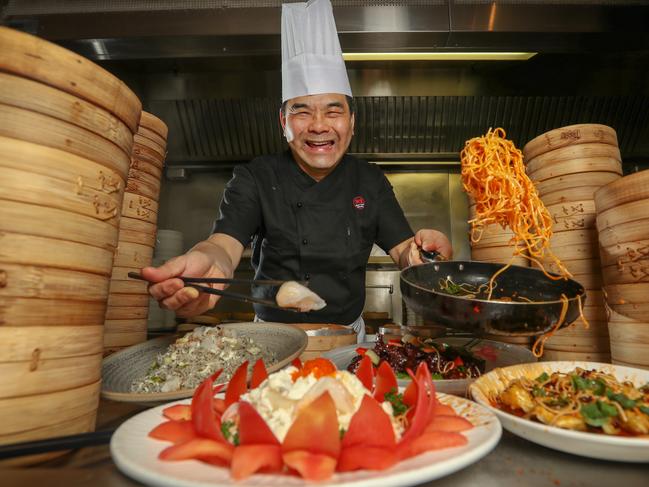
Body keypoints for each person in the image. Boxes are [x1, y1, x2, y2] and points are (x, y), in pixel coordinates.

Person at [143, 0, 452, 340]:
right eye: (302, 112)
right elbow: (223, 246)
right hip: (272, 339)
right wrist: (208, 261)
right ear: (283, 122)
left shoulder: (369, 180)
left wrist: (422, 255)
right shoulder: (256, 177)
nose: (319, 126)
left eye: (333, 112)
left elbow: (404, 251)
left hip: (346, 338)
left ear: (351, 122)